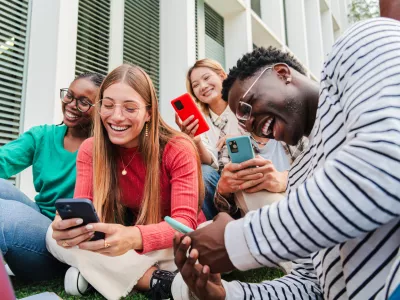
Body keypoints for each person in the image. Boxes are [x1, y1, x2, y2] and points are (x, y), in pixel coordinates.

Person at [174, 17, 400, 300]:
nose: (248, 123)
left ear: (282, 73)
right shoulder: (303, 175)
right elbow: (311, 283)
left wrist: (236, 240)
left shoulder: (358, 46)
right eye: (241, 120)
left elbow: (386, 164)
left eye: (247, 107)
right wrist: (228, 294)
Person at [48, 64, 205, 299]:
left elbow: (184, 222)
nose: (116, 117)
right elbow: (84, 207)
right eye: (108, 106)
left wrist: (134, 237)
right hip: (121, 245)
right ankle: (158, 281)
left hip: (172, 242)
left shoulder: (178, 148)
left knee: (198, 245)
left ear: (149, 112)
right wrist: (67, 226)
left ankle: (97, 275)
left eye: (130, 108)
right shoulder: (90, 149)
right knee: (52, 236)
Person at [0, 72, 103, 282]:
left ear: (101, 109)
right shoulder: (43, 136)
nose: (72, 105)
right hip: (37, 217)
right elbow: (4, 160)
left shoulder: (105, 148)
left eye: (84, 102)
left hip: (61, 243)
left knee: (5, 214)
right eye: (69, 96)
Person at [179, 58, 293, 220]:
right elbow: (210, 161)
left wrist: (241, 138)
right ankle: (217, 224)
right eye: (195, 85)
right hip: (222, 177)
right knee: (203, 172)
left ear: (222, 76)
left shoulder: (244, 107)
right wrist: (196, 141)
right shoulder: (200, 119)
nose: (202, 87)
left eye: (206, 78)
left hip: (255, 170)